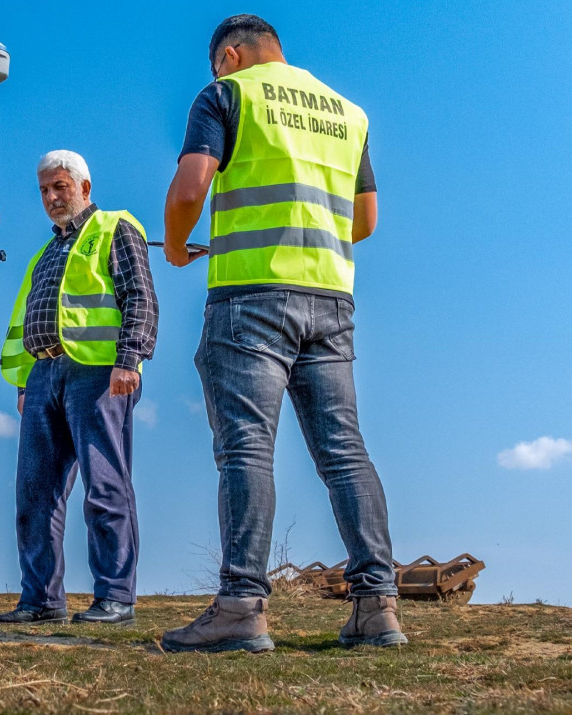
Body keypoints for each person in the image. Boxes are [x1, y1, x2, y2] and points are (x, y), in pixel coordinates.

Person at [158, 15, 404, 652]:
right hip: (330, 300)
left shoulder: (226, 95)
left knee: (246, 449)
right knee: (344, 451)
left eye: (218, 63)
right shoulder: (348, 113)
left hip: (250, 298)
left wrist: (181, 248)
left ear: (231, 56)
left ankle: (241, 606)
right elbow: (367, 221)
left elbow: (191, 186)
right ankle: (377, 607)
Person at [0, 150, 158, 626]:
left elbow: (140, 295)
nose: (51, 197)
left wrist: (130, 359)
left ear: (84, 187)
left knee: (105, 487)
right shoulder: (46, 253)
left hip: (99, 374)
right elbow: (28, 318)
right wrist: (25, 382)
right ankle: (40, 601)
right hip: (44, 376)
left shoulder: (115, 228)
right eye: (44, 190)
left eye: (59, 187)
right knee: (34, 493)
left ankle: (116, 598)